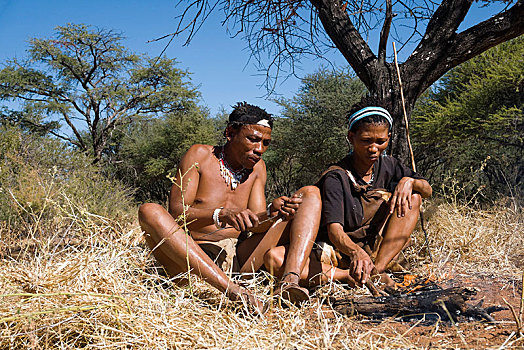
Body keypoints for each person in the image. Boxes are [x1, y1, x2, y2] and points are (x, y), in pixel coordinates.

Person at [138, 102, 321, 313]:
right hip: (190, 255)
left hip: (237, 259)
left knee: (310, 194)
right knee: (149, 210)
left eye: (266, 143)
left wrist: (272, 213)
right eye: (253, 139)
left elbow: (255, 225)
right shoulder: (199, 155)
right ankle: (232, 291)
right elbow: (177, 214)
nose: (260, 149)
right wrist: (220, 215)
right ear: (230, 133)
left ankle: (290, 281)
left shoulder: (257, 169)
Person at [264, 104, 432, 290]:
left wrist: (410, 182)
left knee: (414, 197)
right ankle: (345, 276)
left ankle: (377, 271)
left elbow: (427, 190)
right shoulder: (336, 177)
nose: (374, 148)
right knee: (275, 259)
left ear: (389, 138)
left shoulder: (389, 165)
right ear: (351, 138)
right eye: (366, 141)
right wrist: (355, 253)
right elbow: (334, 232)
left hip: (373, 249)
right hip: (338, 251)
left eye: (380, 141)